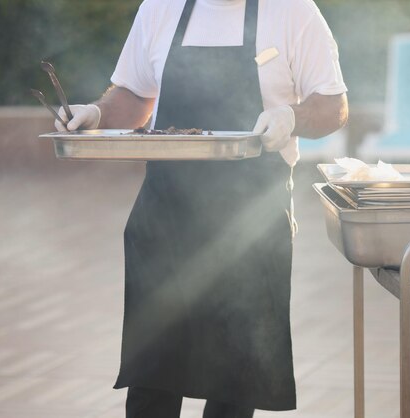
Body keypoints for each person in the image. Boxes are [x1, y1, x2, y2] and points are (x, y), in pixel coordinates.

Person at [55, 0, 348, 416]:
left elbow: (333, 105)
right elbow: (136, 94)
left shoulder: (292, 10)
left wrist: (291, 117)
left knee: (235, 380)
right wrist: (98, 112)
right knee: (152, 372)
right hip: (165, 216)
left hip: (248, 221)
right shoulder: (160, 8)